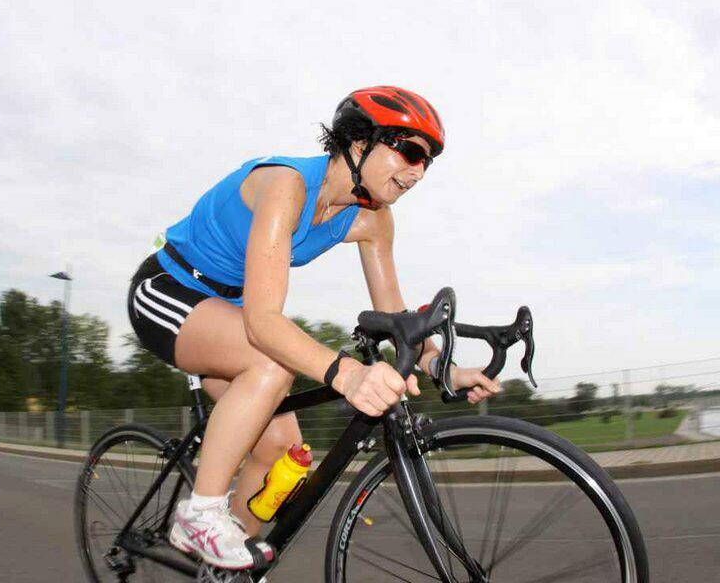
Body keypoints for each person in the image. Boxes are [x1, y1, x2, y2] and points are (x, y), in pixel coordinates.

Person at [127, 86, 501, 570]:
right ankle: (199, 513)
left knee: (284, 452)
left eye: (428, 162)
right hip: (168, 290)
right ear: (360, 141)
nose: (418, 172)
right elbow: (263, 324)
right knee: (270, 365)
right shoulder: (287, 187)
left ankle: (222, 569)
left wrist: (439, 366)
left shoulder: (374, 220)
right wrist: (349, 375)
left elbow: (395, 314)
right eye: (410, 152)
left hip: (226, 311)